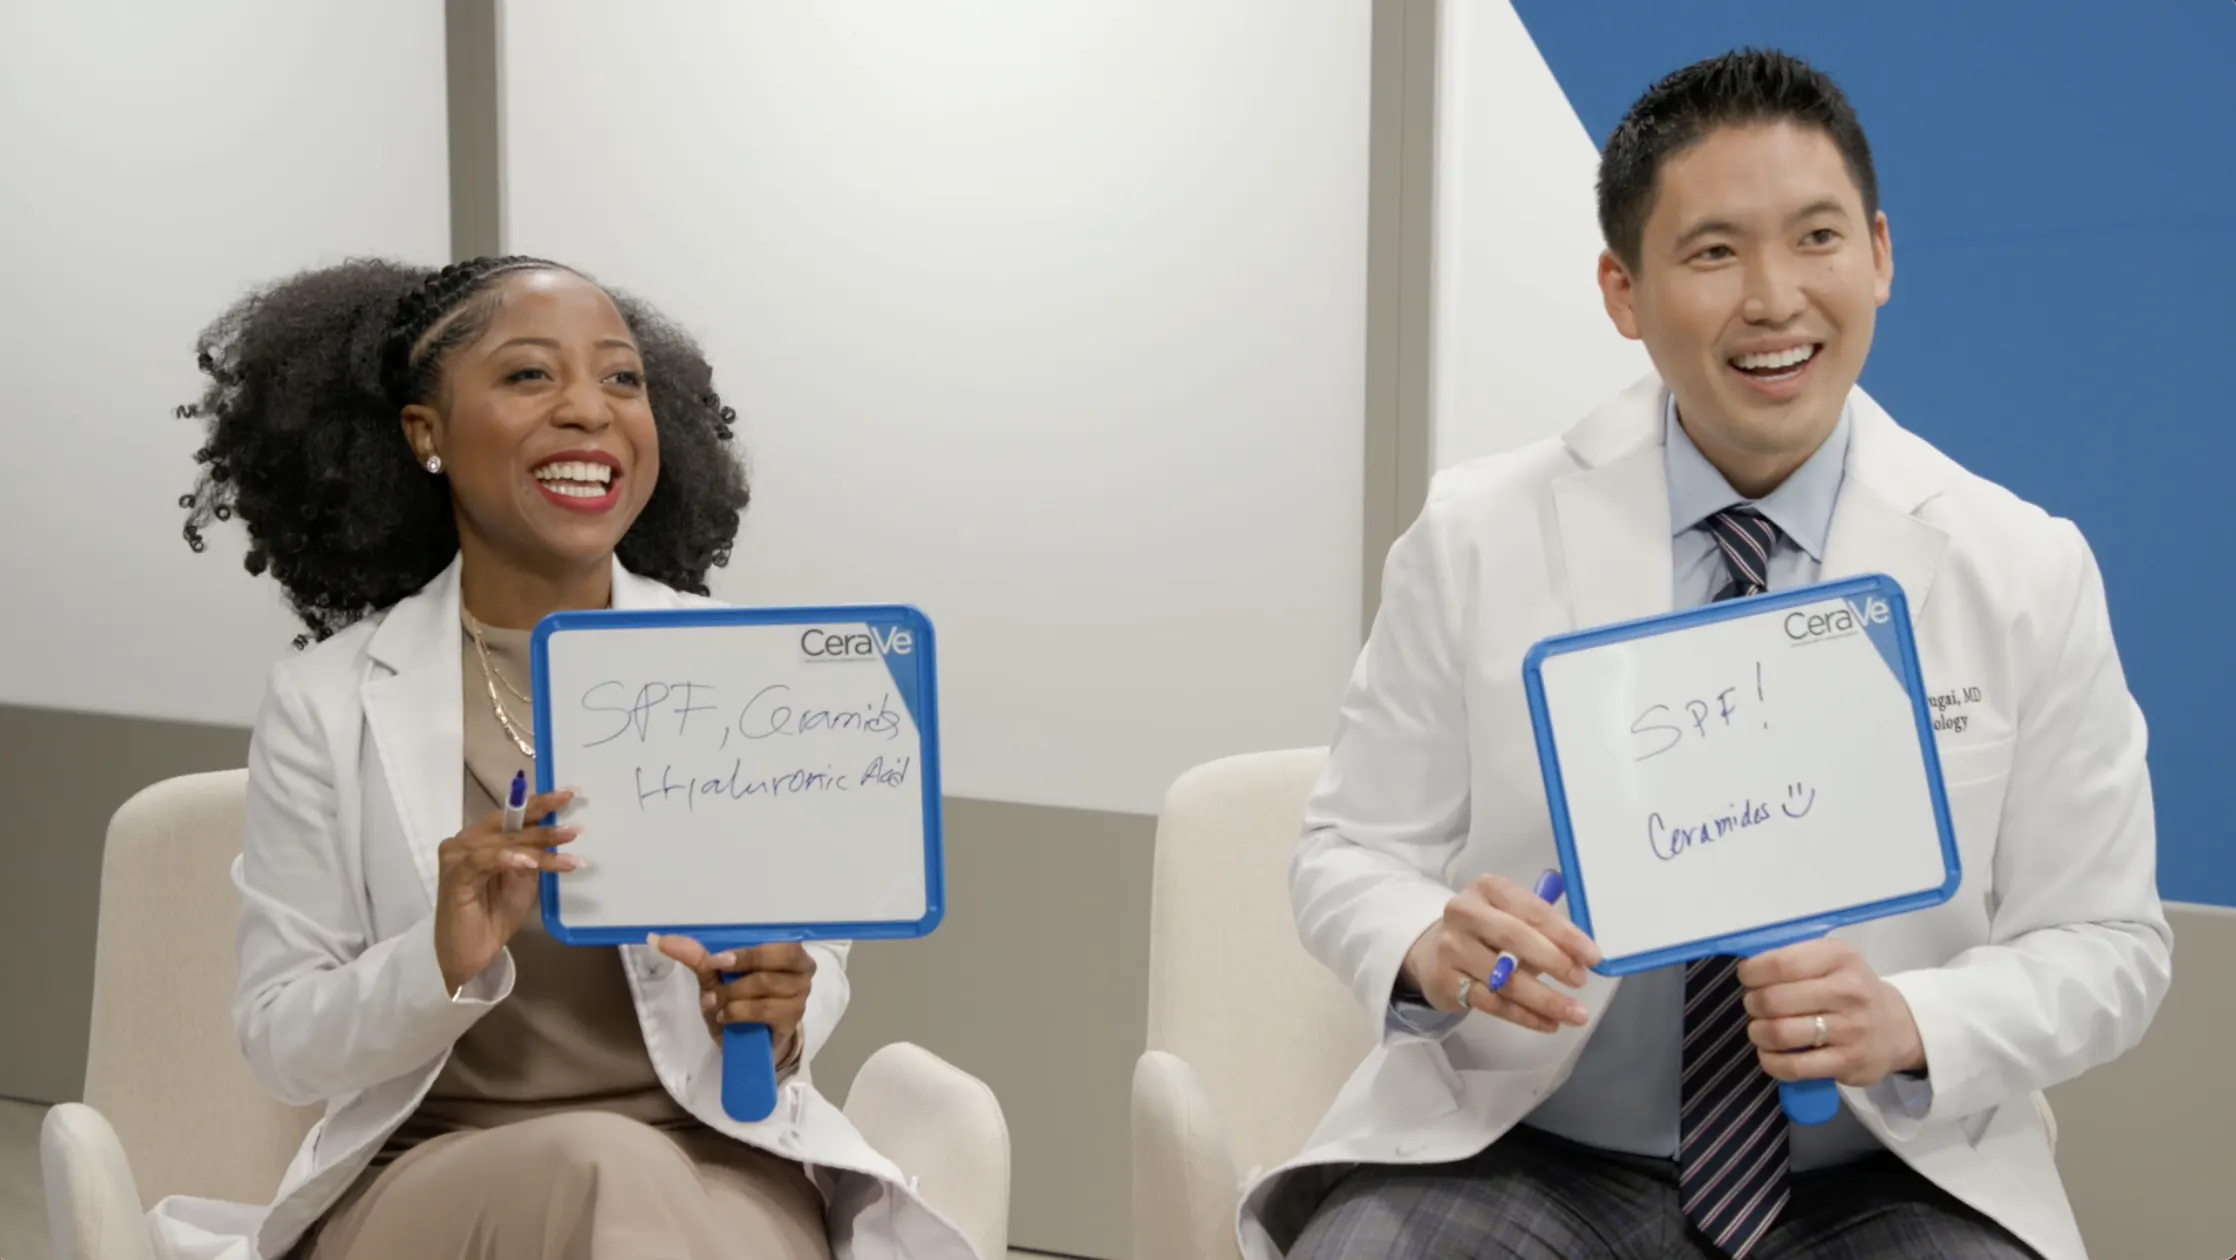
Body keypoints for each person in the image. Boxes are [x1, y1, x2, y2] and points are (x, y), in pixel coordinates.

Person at [1245, 49, 2170, 1260]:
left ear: (1879, 256)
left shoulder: (2025, 568)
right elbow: (1350, 853)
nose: (1775, 299)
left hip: (1882, 1172)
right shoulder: (1475, 536)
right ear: (1622, 292)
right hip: (1533, 1148)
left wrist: (1910, 1020)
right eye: (1714, 251)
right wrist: (1428, 944)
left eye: (1817, 238)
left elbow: (2110, 944)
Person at [154, 255, 977, 1259]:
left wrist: (784, 1002)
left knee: (642, 1189)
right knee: (602, 1165)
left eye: (622, 378)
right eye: (530, 374)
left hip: (720, 1166)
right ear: (425, 434)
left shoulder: (748, 672)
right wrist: (440, 958)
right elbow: (281, 1045)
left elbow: (815, 966)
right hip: (430, 1176)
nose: (590, 409)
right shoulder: (325, 701)